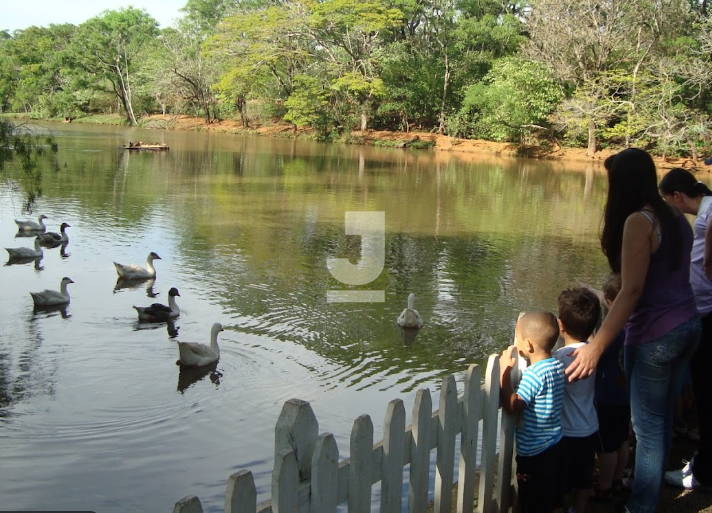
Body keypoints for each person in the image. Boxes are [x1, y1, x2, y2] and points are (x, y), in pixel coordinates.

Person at [565, 148, 700, 513]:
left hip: (657, 336)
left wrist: (595, 348)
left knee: (648, 429)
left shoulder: (639, 221)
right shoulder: (674, 215)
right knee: (661, 422)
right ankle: (647, 492)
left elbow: (632, 291)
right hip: (688, 323)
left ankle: (641, 505)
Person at [659, 167, 712, 489]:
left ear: (678, 196)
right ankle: (703, 463)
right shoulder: (705, 212)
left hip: (707, 315)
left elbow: (709, 265)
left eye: (669, 201)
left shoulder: (710, 213)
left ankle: (705, 473)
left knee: (707, 393)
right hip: (699, 312)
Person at [500, 311, 565, 513]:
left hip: (535, 454)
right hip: (555, 445)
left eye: (518, 338)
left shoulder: (534, 374)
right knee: (553, 497)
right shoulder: (556, 365)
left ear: (528, 345)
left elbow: (514, 406)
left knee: (533, 500)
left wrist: (504, 374)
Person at [554, 287, 601, 513]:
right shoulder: (594, 353)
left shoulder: (559, 359)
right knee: (583, 479)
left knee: (560, 480)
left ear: (560, 325)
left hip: (566, 432)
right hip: (589, 427)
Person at [592, 273, 631, 500]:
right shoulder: (634, 326)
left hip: (607, 397)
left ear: (609, 301)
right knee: (622, 440)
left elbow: (596, 353)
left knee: (606, 446)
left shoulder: (612, 332)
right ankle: (618, 477)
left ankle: (604, 484)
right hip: (625, 396)